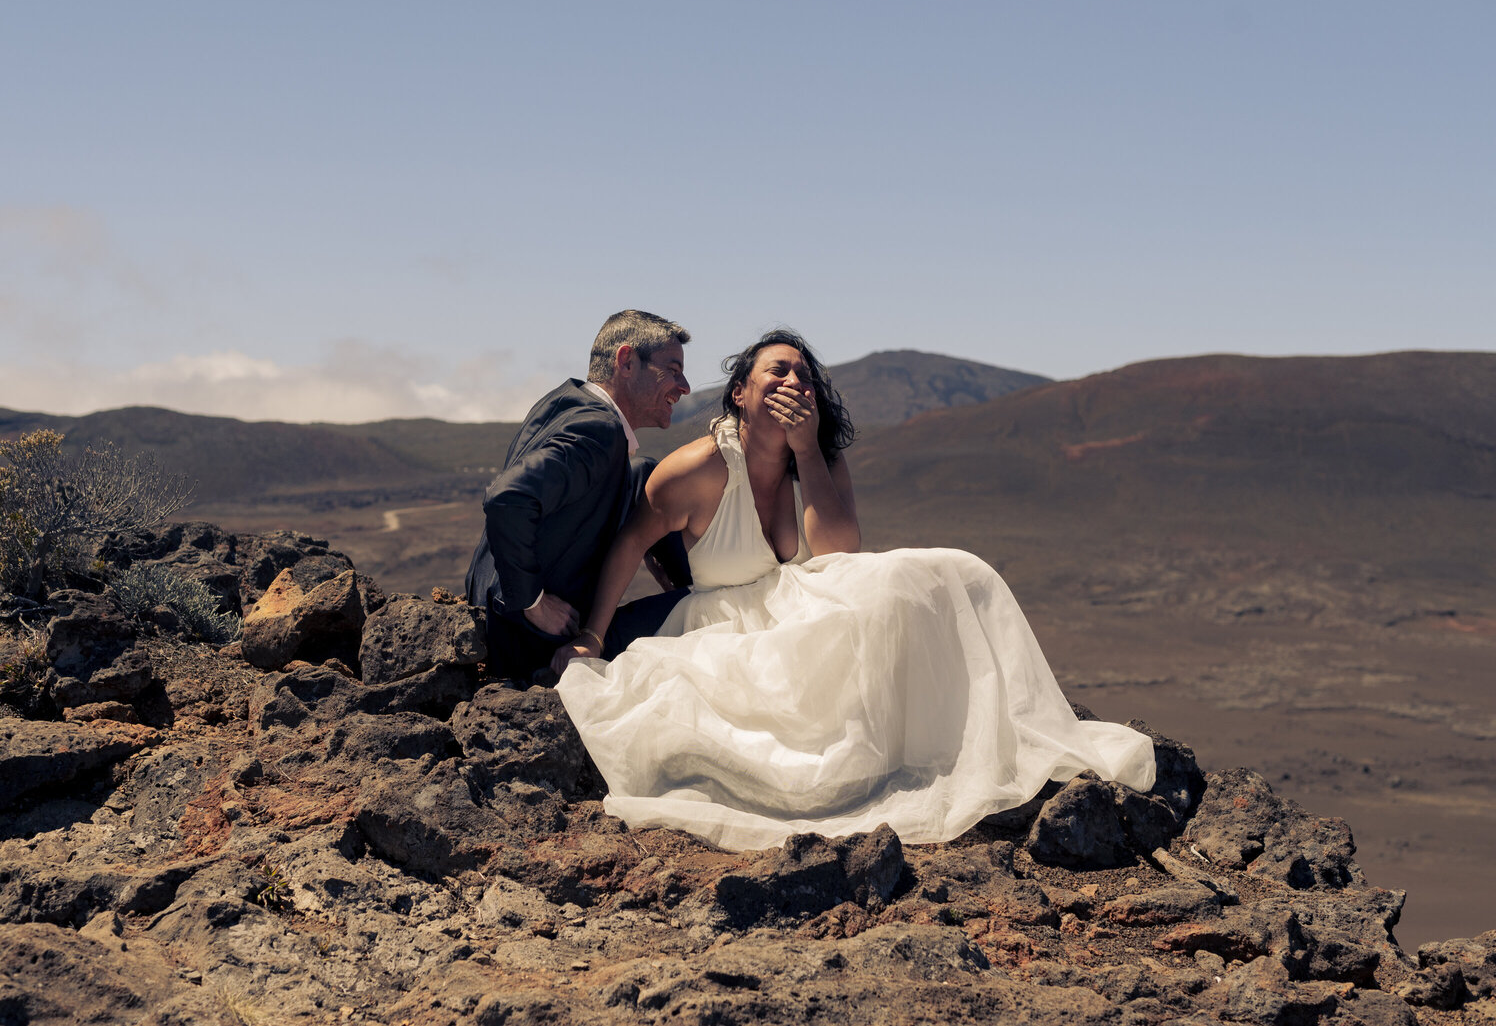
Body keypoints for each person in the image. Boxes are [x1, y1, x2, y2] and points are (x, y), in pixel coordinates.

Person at [553, 329, 1156, 851]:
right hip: (728, 627)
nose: (794, 382)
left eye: (804, 376)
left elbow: (837, 551)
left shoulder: (820, 461)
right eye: (778, 371)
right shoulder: (699, 466)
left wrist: (807, 449)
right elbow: (628, 545)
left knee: (952, 572)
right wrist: (593, 637)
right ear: (740, 392)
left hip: (804, 609)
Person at [465, 309, 693, 683]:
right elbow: (507, 498)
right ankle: (696, 594)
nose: (684, 386)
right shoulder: (600, 430)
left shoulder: (567, 403)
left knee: (646, 474)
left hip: (501, 614)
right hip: (535, 640)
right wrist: (534, 603)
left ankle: (687, 584)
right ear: (626, 361)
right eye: (673, 369)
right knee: (711, 608)